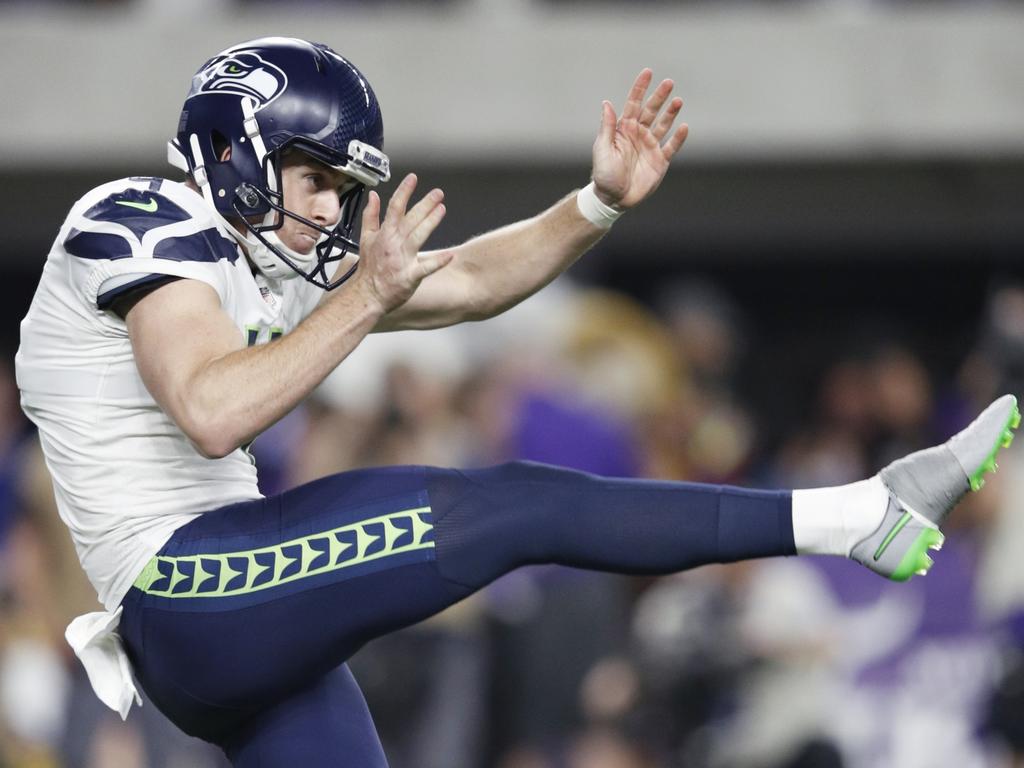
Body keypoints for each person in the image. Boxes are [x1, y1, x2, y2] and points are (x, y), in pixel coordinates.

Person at [13, 37, 1020, 767]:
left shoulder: (267, 268)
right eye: (313, 178)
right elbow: (209, 407)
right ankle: (857, 515)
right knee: (517, 502)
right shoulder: (145, 218)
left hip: (235, 625)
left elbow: (467, 281)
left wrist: (595, 207)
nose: (329, 209)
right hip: (190, 591)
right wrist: (365, 295)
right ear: (233, 152)